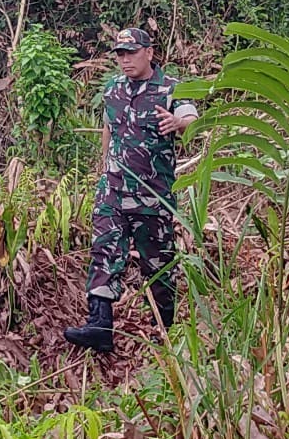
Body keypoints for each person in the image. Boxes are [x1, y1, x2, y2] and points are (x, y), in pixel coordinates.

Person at [63, 27, 198, 353]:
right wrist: (103, 170)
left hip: (152, 194)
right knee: (104, 251)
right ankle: (99, 325)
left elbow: (192, 117)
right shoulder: (113, 89)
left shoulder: (170, 88)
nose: (125, 60)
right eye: (120, 55)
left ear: (149, 53)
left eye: (131, 53)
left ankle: (165, 327)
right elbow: (109, 128)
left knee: (158, 263)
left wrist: (179, 124)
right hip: (112, 189)